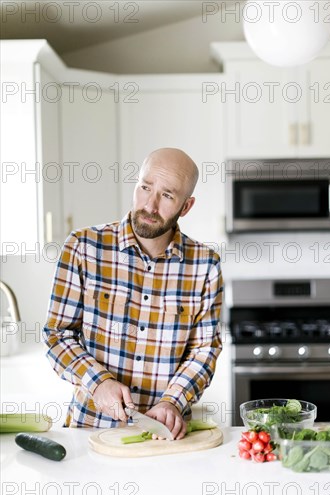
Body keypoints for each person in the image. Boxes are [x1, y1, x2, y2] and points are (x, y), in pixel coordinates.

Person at [43, 148, 223, 440]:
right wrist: (98, 382)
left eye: (167, 195)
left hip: (164, 438)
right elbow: (57, 334)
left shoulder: (205, 265)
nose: (150, 205)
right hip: (90, 431)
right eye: (145, 187)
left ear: (186, 206)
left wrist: (172, 401)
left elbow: (204, 350)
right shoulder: (83, 247)